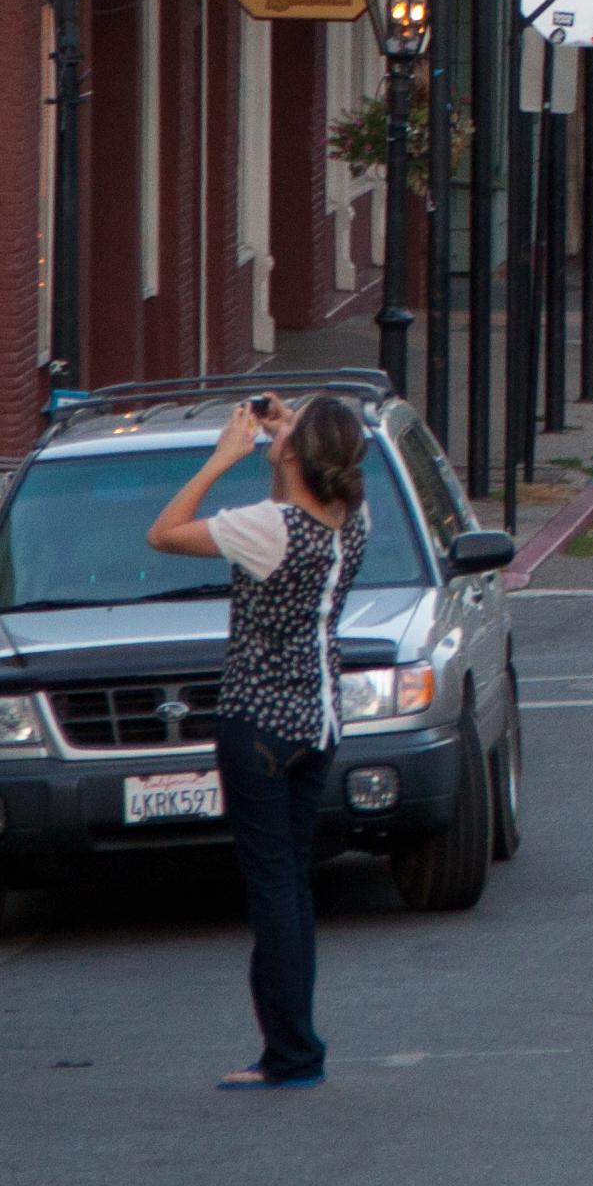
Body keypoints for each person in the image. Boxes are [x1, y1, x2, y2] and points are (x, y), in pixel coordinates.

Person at [145, 391, 369, 1091]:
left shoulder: (267, 526)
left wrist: (222, 458)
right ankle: (293, 1046)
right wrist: (286, 435)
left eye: (291, 428)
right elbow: (312, 478)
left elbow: (165, 532)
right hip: (318, 720)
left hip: (257, 722)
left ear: (298, 453)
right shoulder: (348, 520)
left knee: (271, 888)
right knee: (292, 884)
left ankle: (292, 1051)